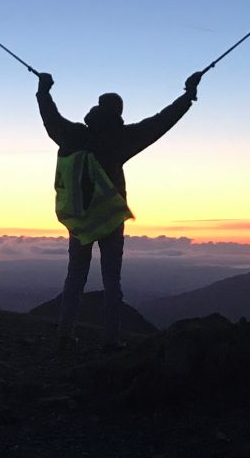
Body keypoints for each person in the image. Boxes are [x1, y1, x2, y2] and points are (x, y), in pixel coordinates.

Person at [36, 70, 203, 345]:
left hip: (80, 219)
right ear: (119, 112)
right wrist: (187, 96)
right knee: (112, 280)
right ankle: (111, 337)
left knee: (75, 275)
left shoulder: (74, 135)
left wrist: (43, 90)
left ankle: (65, 330)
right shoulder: (122, 138)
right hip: (111, 218)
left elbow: (49, 117)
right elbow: (162, 122)